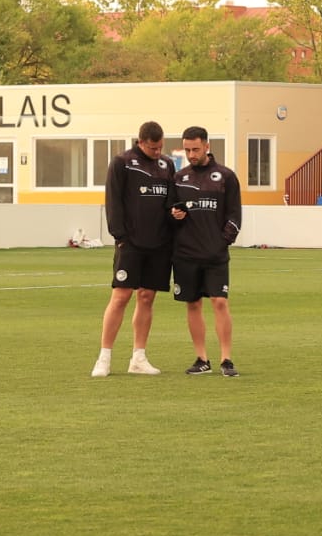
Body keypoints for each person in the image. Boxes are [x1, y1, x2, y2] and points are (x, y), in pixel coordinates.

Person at [92, 121, 176, 377]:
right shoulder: (122, 163)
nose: (157, 152)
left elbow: (170, 200)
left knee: (147, 297)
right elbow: (113, 201)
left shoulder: (167, 165)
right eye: (152, 148)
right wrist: (120, 236)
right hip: (131, 243)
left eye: (160, 147)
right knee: (121, 296)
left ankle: (138, 357)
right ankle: (104, 357)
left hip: (160, 244)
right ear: (140, 142)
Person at [168, 126, 242, 377]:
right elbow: (171, 212)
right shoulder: (179, 178)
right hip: (185, 254)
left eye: (195, 149)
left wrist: (222, 242)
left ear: (207, 146)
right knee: (192, 304)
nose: (191, 154)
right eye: (187, 150)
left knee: (220, 302)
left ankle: (226, 359)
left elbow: (234, 216)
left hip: (215, 254)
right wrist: (175, 215)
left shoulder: (226, 177)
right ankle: (202, 358)